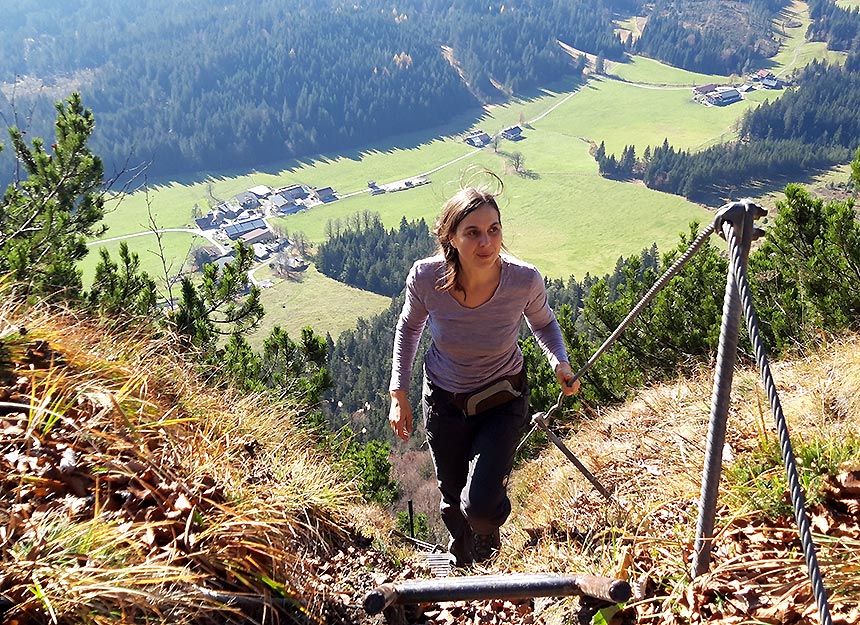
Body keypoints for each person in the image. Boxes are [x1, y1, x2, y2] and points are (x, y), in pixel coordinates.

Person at [388, 177, 580, 566]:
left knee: (478, 505)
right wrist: (399, 393)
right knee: (451, 493)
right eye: (472, 232)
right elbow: (409, 327)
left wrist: (557, 360)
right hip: (444, 400)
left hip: (502, 396)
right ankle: (468, 552)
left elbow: (543, 323)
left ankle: (486, 523)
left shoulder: (523, 279)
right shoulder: (427, 278)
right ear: (451, 238)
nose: (486, 243)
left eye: (494, 230)